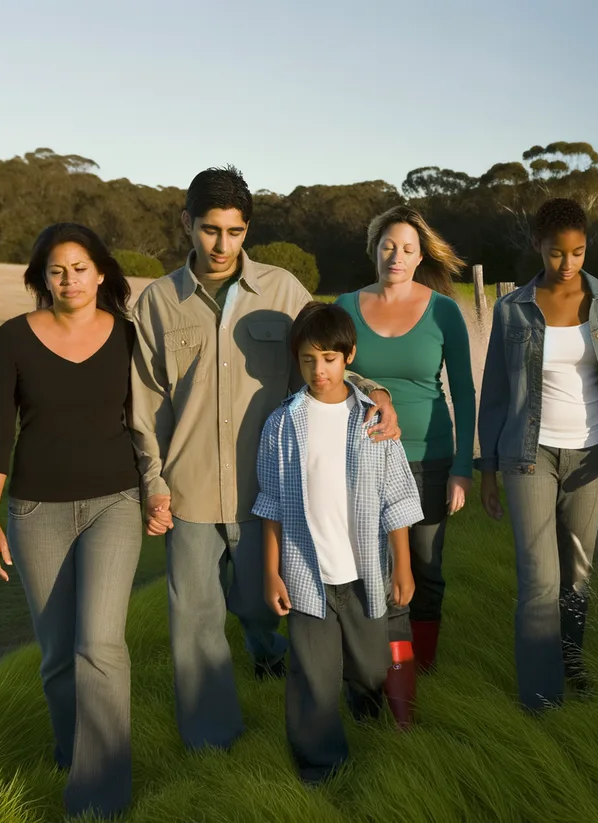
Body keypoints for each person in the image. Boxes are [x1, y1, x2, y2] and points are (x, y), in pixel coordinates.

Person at [130, 165, 399, 751]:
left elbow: (325, 359)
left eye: (234, 232)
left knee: (260, 603)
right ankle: (213, 742)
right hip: (190, 490)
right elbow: (146, 405)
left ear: (247, 229)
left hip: (270, 490)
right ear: (187, 223)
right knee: (195, 623)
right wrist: (154, 482)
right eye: (209, 230)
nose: (221, 245)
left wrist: (373, 391)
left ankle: (269, 651)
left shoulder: (283, 292)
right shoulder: (156, 303)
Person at [0, 223, 144, 818]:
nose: (69, 280)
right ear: (42, 278)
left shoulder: (128, 336)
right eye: (56, 270)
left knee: (99, 644)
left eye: (79, 268)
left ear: (100, 273)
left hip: (115, 503)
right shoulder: (13, 338)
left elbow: (148, 422)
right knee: (55, 654)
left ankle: (100, 794)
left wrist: (159, 491)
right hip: (34, 511)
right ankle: (74, 753)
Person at [476, 198, 598, 712]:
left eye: (577, 252)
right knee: (539, 579)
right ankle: (541, 699)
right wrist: (487, 470)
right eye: (556, 253)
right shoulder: (513, 309)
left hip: (592, 458)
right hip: (527, 455)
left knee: (576, 576)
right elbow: (496, 394)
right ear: (538, 245)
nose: (568, 263)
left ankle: (570, 665)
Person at [255, 301, 423, 784]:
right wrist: (271, 573)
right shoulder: (282, 424)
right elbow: (271, 504)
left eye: (328, 359)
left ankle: (365, 705)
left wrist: (403, 566)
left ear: (348, 357)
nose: (318, 370)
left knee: (371, 669)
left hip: (363, 573)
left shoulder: (374, 419)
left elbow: (396, 498)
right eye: (308, 360)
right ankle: (320, 766)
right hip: (306, 575)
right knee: (313, 677)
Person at [336, 205, 474, 726]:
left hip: (430, 458)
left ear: (421, 258)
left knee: (425, 567)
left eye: (408, 249)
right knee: (370, 569)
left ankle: (421, 664)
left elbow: (464, 392)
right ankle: (376, 664)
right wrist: (373, 390)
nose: (397, 256)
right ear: (374, 250)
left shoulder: (443, 313)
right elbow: (330, 372)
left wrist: (462, 467)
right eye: (388, 246)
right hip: (364, 459)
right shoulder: (346, 307)